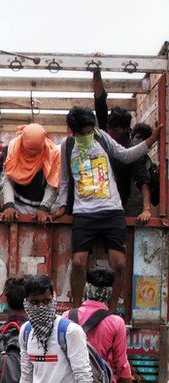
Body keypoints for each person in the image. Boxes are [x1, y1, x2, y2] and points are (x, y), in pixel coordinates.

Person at [58, 106, 160, 310]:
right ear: (72, 131)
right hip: (83, 213)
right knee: (78, 263)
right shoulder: (67, 146)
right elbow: (65, 180)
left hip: (112, 211)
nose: (87, 135)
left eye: (89, 131)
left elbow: (126, 155)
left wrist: (152, 140)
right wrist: (62, 206)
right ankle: (77, 309)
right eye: (83, 133)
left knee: (120, 265)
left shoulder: (102, 137)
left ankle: (112, 311)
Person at [93, 71, 155, 218]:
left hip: (119, 204)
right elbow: (100, 103)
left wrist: (146, 209)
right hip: (97, 204)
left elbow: (143, 180)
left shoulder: (133, 149)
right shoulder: (106, 136)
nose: (110, 132)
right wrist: (96, 72)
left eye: (114, 130)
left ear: (127, 129)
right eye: (108, 128)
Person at [1, 124, 63, 224]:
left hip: (43, 208)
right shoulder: (11, 149)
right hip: (17, 207)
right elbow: (7, 179)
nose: (33, 153)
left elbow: (52, 183)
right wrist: (9, 205)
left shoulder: (52, 152)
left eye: (37, 150)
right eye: (30, 149)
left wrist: (44, 208)